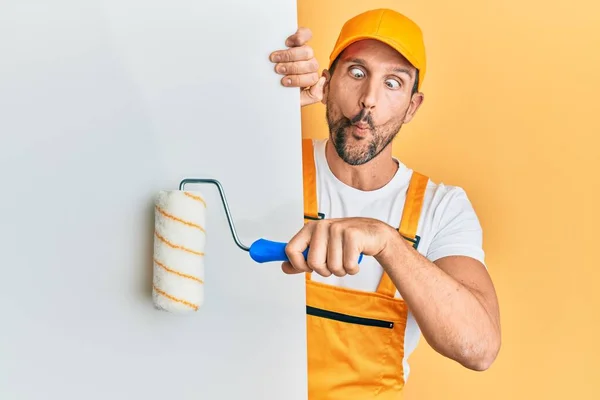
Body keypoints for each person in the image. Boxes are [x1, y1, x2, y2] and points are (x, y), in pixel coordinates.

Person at [269, 8, 501, 399]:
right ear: (326, 84)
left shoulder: (442, 208)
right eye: (356, 73)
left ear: (412, 107)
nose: (368, 100)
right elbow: (174, 175)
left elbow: (478, 349)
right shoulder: (272, 165)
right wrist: (268, 108)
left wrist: (387, 241)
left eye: (393, 83)